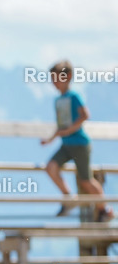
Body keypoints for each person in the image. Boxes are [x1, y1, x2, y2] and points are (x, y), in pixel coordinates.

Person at [40, 60, 113, 221]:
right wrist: (50, 139)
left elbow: (85, 115)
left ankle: (105, 209)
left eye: (57, 78)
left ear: (68, 77)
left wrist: (70, 130)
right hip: (66, 144)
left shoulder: (74, 96)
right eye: (53, 79)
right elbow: (61, 125)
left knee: (85, 180)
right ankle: (69, 198)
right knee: (51, 167)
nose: (54, 83)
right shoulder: (57, 100)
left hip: (79, 143)